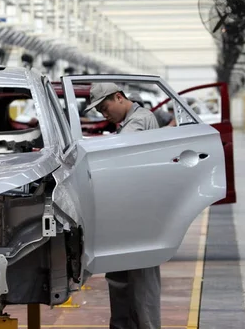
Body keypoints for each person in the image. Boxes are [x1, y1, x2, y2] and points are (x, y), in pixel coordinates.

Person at [84, 82, 161, 329]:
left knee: (141, 284)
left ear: (119, 97)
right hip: (128, 214)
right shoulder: (130, 123)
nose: (103, 115)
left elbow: (119, 153)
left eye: (104, 107)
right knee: (119, 279)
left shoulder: (139, 121)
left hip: (138, 217)